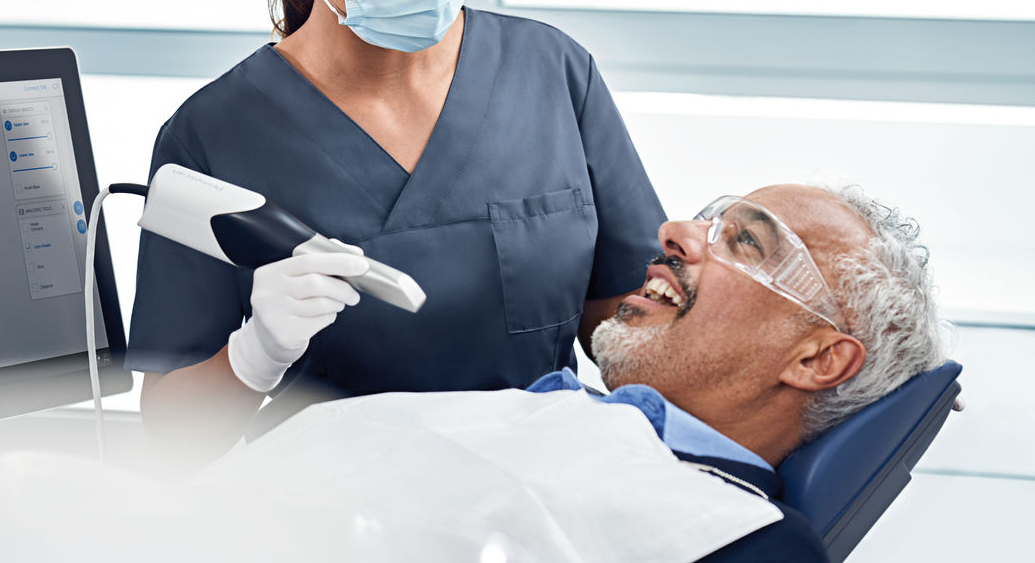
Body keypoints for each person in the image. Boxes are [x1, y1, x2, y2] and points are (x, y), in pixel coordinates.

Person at [128, 0, 665, 460]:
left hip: (540, 485)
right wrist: (252, 354)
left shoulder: (551, 71)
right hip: (332, 503)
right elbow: (173, 439)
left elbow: (634, 329)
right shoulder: (213, 135)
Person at [130, 182, 944, 561]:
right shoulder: (540, 413)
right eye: (708, 217)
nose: (674, 231)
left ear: (817, 358)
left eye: (746, 242)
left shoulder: (738, 540)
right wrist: (254, 354)